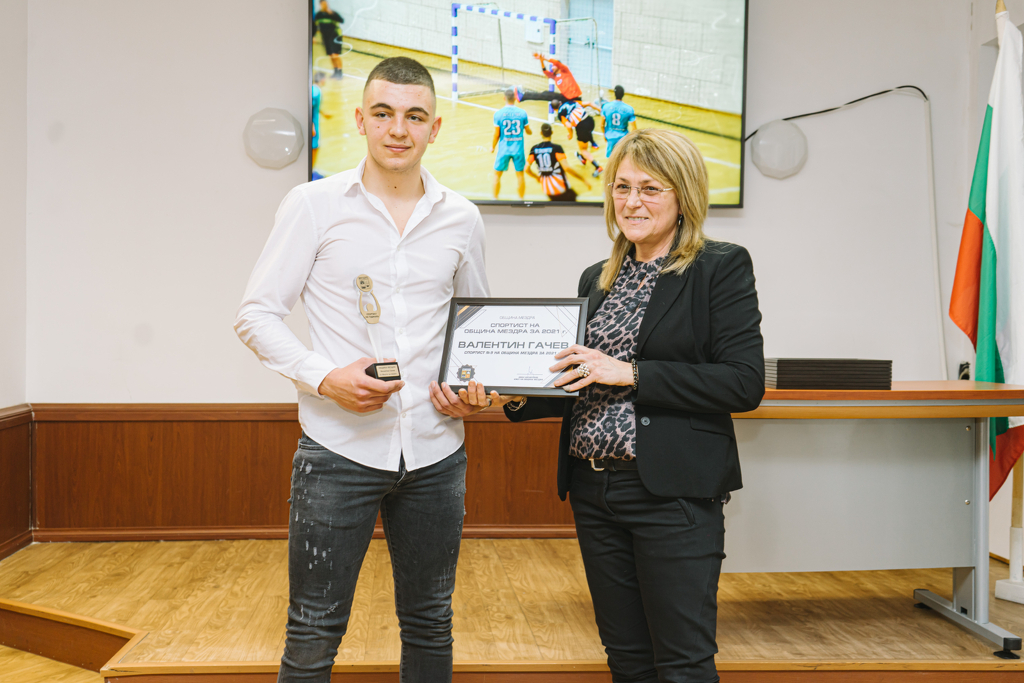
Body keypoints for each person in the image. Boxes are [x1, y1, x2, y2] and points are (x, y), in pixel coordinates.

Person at [235, 56, 496, 683]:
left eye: (414, 116)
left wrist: (474, 389)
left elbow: (477, 326)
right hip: (337, 452)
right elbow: (255, 315)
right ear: (360, 120)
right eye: (383, 113)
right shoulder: (312, 205)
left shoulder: (462, 217)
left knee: (431, 621)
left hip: (437, 452)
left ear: (435, 128)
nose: (397, 129)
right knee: (313, 628)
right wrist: (325, 378)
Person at [480, 128, 765, 682]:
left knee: (682, 663)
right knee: (626, 659)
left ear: (684, 194)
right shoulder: (598, 277)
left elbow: (742, 382)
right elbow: (584, 379)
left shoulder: (718, 266)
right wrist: (513, 393)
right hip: (593, 491)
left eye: (650, 188)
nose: (632, 202)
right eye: (622, 187)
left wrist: (631, 373)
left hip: (671, 494)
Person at [526, 122, 591, 201]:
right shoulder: (557, 148)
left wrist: (537, 177)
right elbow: (566, 168)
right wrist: (583, 179)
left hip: (546, 188)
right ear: (552, 132)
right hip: (560, 186)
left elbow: (526, 169)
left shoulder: (534, 149)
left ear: (541, 133)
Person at [491, 88, 532, 199]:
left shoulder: (498, 114)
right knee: (520, 175)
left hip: (504, 150)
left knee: (497, 175)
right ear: (515, 98)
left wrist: (492, 147)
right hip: (518, 150)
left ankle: (495, 199)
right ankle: (521, 199)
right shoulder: (522, 113)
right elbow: (528, 131)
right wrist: (529, 131)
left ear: (504, 98)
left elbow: (497, 134)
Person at [555, 98, 603, 178]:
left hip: (582, 127)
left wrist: (570, 135)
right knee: (584, 143)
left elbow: (569, 126)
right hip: (590, 121)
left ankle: (598, 167)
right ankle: (584, 157)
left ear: (554, 109)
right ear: (560, 102)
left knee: (583, 150)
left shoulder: (560, 114)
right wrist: (600, 110)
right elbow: (589, 102)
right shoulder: (570, 102)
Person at [513, 53, 583, 104]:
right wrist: (541, 61)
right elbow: (545, 71)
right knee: (545, 93)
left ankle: (522, 96)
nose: (552, 68)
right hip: (566, 98)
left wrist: (545, 59)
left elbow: (556, 62)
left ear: (558, 67)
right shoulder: (555, 76)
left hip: (574, 97)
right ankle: (523, 96)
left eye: (554, 66)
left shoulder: (565, 71)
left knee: (546, 95)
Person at [599, 85, 637, 159]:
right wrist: (629, 139)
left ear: (614, 94)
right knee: (622, 158)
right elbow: (634, 128)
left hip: (610, 136)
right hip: (623, 138)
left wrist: (604, 134)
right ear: (623, 94)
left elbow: (601, 125)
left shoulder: (606, 107)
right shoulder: (629, 109)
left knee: (610, 159)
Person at [313, 0, 345, 79]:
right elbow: (315, 26)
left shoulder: (332, 13)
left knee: (335, 55)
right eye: (323, 4)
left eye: (326, 4)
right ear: (320, 5)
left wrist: (332, 14)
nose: (325, 5)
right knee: (331, 55)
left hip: (335, 37)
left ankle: (340, 72)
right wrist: (313, 36)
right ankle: (335, 71)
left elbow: (341, 20)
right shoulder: (319, 15)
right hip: (326, 38)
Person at [310, 70, 333, 180]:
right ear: (322, 79)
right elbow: (309, 107)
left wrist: (323, 113)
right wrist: (311, 125)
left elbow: (314, 106)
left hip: (314, 123)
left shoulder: (314, 89)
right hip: (314, 125)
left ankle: (312, 170)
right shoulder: (316, 91)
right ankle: (311, 172)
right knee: (314, 147)